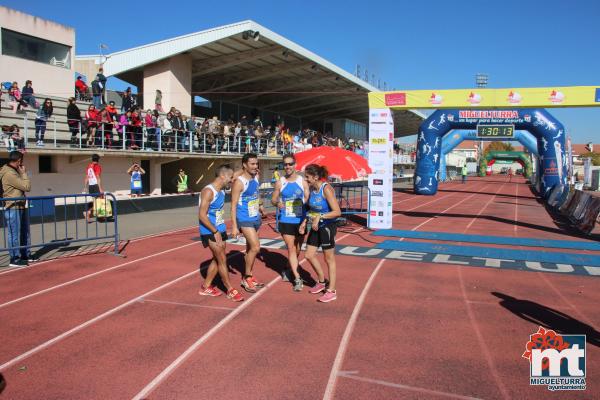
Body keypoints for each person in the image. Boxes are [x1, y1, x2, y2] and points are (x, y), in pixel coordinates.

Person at [198, 164, 244, 302]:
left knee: (217, 258)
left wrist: (247, 167)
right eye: (230, 178)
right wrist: (215, 231)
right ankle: (230, 289)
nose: (232, 180)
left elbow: (235, 175)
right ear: (222, 176)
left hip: (220, 227)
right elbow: (202, 215)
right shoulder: (208, 191)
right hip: (210, 229)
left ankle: (206, 286)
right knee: (222, 259)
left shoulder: (222, 189)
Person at [300, 164, 341, 303]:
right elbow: (310, 209)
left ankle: (332, 290)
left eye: (307, 177)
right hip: (316, 226)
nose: (305, 179)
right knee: (309, 255)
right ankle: (322, 281)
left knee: (329, 259)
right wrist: (305, 221)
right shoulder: (312, 189)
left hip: (327, 226)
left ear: (316, 177)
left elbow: (337, 212)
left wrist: (320, 216)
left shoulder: (327, 189)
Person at [271, 154, 309, 291]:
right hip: (286, 219)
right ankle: (297, 278)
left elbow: (308, 199)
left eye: (290, 164)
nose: (287, 167)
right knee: (291, 248)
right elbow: (273, 199)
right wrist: (278, 203)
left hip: (300, 220)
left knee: (298, 249)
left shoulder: (302, 181)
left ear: (295, 164)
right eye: (285, 164)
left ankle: (287, 268)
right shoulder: (280, 182)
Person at [231, 153, 266, 292]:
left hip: (255, 218)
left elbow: (256, 194)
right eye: (252, 164)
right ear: (244, 165)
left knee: (249, 249)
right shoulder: (239, 182)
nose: (255, 166)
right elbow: (233, 205)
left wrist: (261, 206)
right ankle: (247, 277)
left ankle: (249, 276)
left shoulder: (256, 177)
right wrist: (234, 226)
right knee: (256, 247)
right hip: (244, 218)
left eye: (256, 164)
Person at [0, 151, 32, 266]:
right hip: (12, 206)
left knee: (24, 232)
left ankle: (25, 254)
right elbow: (26, 186)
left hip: (20, 205)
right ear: (19, 161)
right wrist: (24, 174)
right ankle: (14, 258)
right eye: (21, 161)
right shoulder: (9, 173)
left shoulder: (14, 171)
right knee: (14, 233)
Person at [83, 154, 104, 222]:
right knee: (99, 201)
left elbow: (86, 177)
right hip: (95, 185)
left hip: (90, 186)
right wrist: (100, 188)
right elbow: (98, 177)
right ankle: (88, 212)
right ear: (98, 159)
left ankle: (100, 216)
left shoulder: (89, 166)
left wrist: (85, 187)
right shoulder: (97, 166)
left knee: (96, 202)